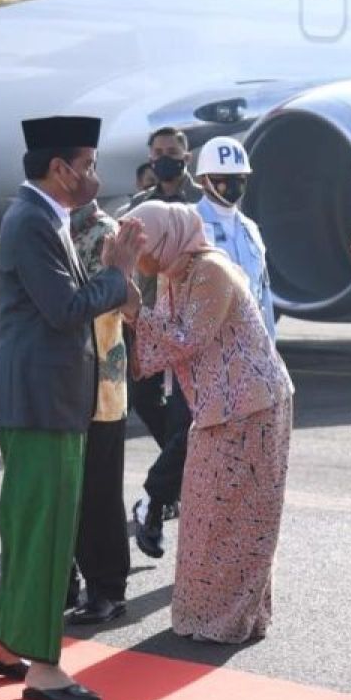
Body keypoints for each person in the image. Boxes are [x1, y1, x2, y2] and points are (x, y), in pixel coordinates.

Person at [0, 115, 142, 700]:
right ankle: (44, 668)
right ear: (60, 169)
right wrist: (117, 274)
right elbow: (66, 309)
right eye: (88, 165)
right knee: (45, 532)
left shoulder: (46, 217)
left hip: (45, 397)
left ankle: (1, 637)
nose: (95, 175)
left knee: (31, 526)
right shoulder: (32, 219)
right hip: (42, 401)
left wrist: (113, 273)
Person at [124, 201, 293, 643]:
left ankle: (232, 620)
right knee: (205, 511)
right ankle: (201, 616)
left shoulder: (210, 270)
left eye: (145, 244)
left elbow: (184, 339)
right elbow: (164, 335)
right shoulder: (173, 275)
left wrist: (133, 309)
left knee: (242, 514)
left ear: (168, 236)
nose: (142, 257)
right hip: (216, 406)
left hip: (253, 405)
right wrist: (136, 306)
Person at [121, 127, 204, 559]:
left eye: (172, 152)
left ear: (186, 156)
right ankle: (179, 475)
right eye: (158, 153)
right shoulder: (138, 206)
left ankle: (161, 493)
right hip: (149, 320)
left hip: (192, 324)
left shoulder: (203, 203)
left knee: (185, 418)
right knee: (142, 399)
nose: (165, 159)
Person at [64, 198, 132, 625]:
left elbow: (108, 297)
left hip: (100, 377)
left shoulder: (101, 232)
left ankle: (107, 589)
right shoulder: (58, 230)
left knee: (98, 493)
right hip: (70, 378)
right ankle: (66, 580)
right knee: (68, 489)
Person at [193, 136, 276, 339]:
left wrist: (270, 349)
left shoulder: (251, 229)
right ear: (203, 180)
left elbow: (263, 295)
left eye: (238, 178)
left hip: (248, 345)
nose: (232, 185)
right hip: (206, 346)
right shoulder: (188, 224)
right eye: (222, 178)